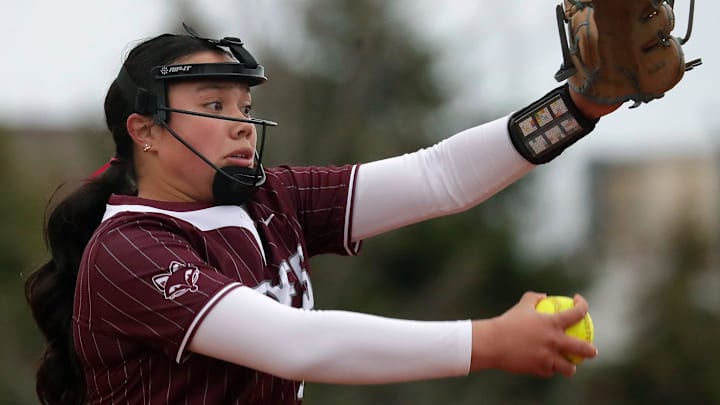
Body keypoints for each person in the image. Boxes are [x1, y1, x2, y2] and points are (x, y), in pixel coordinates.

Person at [25, 24, 617, 405]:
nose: (241, 123)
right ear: (146, 130)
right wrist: (486, 342)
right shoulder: (130, 249)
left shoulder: (274, 200)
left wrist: (579, 105)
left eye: (245, 105)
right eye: (213, 104)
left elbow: (439, 178)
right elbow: (295, 344)